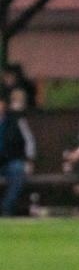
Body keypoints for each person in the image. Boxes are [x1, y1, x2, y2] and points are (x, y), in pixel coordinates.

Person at [0, 88, 35, 217]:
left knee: (18, 170)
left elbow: (29, 141)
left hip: (11, 160)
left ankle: (6, 208)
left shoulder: (16, 120)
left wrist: (29, 160)